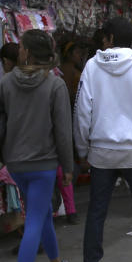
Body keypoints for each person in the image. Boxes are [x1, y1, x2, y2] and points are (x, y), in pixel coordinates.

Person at [74, 17, 132, 262]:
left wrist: (81, 149)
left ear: (108, 38)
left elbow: (82, 112)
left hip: (101, 151)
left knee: (97, 210)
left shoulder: (91, 67)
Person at [0, 29, 73, 262]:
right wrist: (69, 167)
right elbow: (63, 132)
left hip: (15, 162)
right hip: (44, 163)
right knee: (36, 218)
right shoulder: (55, 85)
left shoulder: (5, 83)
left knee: (42, 213)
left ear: (25, 52)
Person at [52, 40, 87, 224]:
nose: (80, 56)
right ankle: (69, 209)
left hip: (58, 126)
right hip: (67, 119)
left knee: (63, 168)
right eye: (77, 52)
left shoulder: (60, 74)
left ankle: (63, 209)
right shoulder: (69, 72)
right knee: (66, 168)